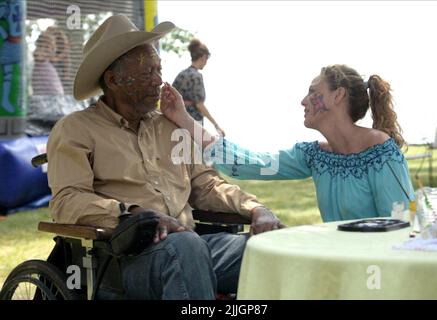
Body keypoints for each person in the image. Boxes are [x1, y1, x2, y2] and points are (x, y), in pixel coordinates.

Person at [46, 15, 283, 300]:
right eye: (148, 73)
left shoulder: (169, 126)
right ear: (113, 79)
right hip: (124, 261)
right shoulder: (77, 129)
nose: (160, 81)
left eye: (159, 69)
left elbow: (206, 185)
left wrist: (256, 209)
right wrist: (136, 215)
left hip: (194, 247)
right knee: (185, 247)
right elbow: (67, 201)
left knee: (276, 247)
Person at [161, 64, 415, 222]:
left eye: (313, 91)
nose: (303, 101)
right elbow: (248, 164)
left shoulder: (381, 152)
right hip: (338, 265)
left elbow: (403, 222)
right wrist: (184, 119)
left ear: (338, 96)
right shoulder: (314, 155)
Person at [172, 39, 225, 136]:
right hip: (192, 124)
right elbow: (199, 105)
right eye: (206, 60)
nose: (206, 63)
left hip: (176, 123)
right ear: (203, 57)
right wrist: (216, 125)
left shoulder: (181, 75)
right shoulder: (196, 76)